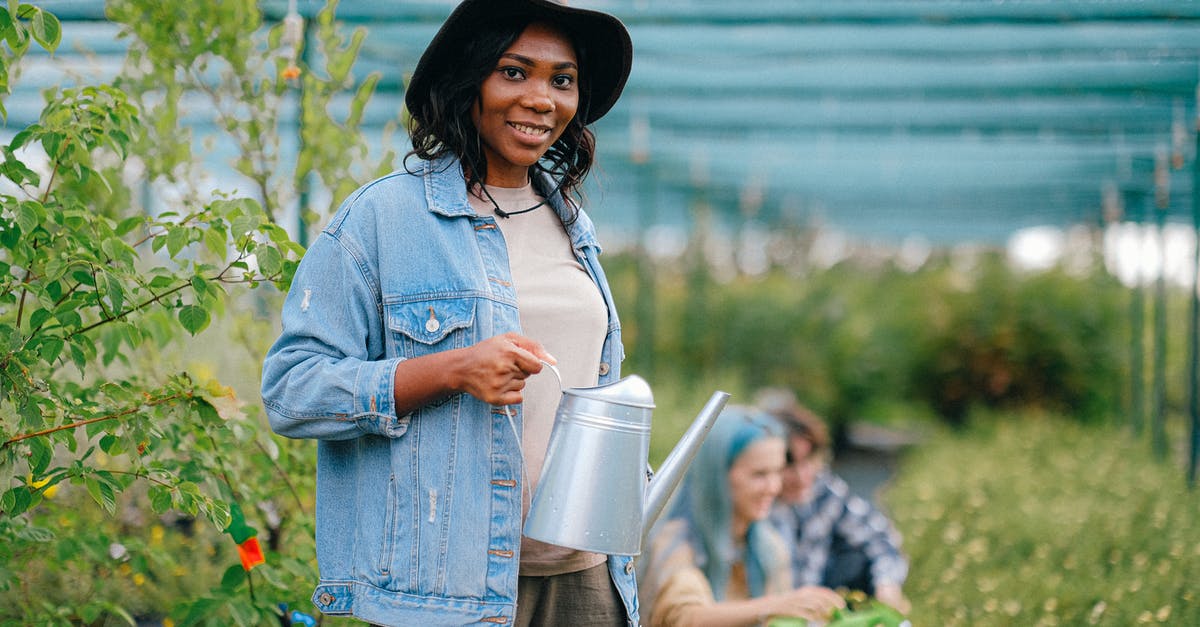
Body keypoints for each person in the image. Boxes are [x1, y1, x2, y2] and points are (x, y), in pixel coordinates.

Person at [259, 1, 635, 624]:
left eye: (561, 80)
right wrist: (452, 369)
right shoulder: (384, 219)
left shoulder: (573, 224)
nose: (542, 99)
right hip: (447, 591)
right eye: (514, 72)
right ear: (469, 81)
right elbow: (291, 390)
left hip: (586, 578)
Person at [638, 406, 845, 627]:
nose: (773, 487)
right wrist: (775, 605)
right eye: (759, 474)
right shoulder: (675, 540)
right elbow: (686, 617)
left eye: (777, 472)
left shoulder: (769, 545)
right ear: (718, 477)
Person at [763, 399, 911, 615]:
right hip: (769, 612)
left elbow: (878, 535)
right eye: (789, 464)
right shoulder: (756, 504)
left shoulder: (822, 489)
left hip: (815, 609)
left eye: (808, 460)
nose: (802, 476)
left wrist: (887, 585)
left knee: (857, 557)